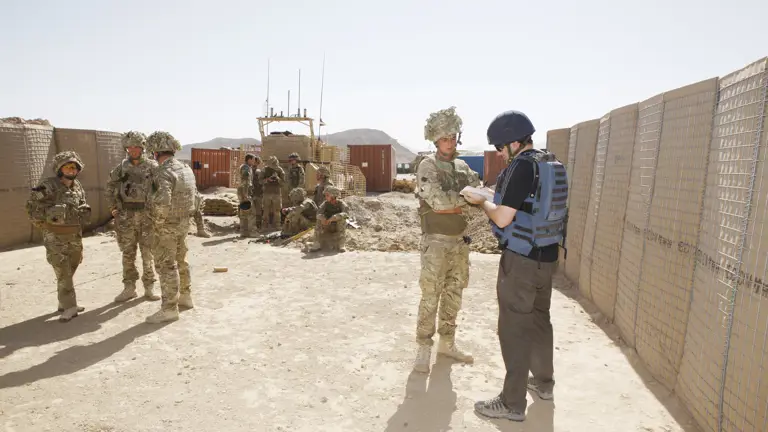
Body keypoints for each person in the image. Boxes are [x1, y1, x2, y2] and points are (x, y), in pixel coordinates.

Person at [464, 110, 567, 422]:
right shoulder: (549, 162)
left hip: (521, 260)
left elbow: (503, 217)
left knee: (514, 329)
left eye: (499, 147)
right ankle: (544, 384)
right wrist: (490, 195)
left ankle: (511, 403)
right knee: (539, 321)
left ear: (512, 142)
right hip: (546, 257)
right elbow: (523, 202)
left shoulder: (523, 166)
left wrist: (479, 201)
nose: (498, 153)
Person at [412, 106, 481, 373]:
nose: (449, 143)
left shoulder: (462, 167)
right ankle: (423, 348)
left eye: (452, 137)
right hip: (436, 242)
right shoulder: (427, 165)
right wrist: (464, 199)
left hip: (459, 243)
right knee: (431, 295)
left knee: (454, 294)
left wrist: (465, 200)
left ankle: (447, 343)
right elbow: (439, 203)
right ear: (434, 139)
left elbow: (480, 195)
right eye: (444, 138)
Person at [26, 151, 92, 322]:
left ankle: (63, 303)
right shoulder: (47, 186)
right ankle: (70, 306)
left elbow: (80, 203)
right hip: (55, 237)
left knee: (71, 267)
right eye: (67, 167)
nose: (71, 170)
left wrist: (83, 210)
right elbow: (32, 209)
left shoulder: (77, 186)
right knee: (62, 271)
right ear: (59, 169)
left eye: (74, 167)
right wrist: (49, 219)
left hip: (74, 235)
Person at [145, 131, 197, 324]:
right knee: (181, 259)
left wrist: (157, 224)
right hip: (183, 222)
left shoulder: (163, 171)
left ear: (155, 152)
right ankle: (185, 296)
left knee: (167, 266)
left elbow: (163, 201)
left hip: (166, 225)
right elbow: (196, 197)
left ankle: (169, 309)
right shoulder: (186, 169)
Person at [108, 131, 161, 302]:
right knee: (128, 253)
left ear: (142, 147)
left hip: (147, 216)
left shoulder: (153, 167)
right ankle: (129, 287)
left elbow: (162, 189)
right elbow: (110, 187)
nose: (133, 150)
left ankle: (149, 287)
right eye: (130, 147)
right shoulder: (121, 168)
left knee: (148, 253)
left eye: (137, 147)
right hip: (126, 217)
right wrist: (113, 207)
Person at [307, 186, 348, 252]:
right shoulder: (325, 204)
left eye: (327, 195)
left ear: (333, 196)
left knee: (343, 219)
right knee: (318, 220)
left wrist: (336, 217)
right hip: (327, 225)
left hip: (337, 227)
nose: (325, 197)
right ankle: (317, 244)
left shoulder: (342, 204)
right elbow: (318, 214)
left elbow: (347, 216)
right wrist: (322, 218)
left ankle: (341, 244)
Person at [260, 155, 285, 231]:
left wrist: (278, 179)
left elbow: (283, 183)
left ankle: (277, 225)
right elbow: (260, 181)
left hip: (276, 193)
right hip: (267, 193)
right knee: (265, 210)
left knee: (277, 210)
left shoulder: (280, 170)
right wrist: (267, 180)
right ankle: (264, 226)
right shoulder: (264, 169)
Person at [237, 153, 257, 237]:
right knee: (251, 213)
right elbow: (245, 182)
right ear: (249, 159)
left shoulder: (243, 167)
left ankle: (243, 232)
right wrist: (246, 195)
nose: (254, 161)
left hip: (242, 192)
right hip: (245, 193)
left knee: (243, 213)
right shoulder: (246, 168)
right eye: (253, 159)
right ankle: (252, 232)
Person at [251, 155, 264, 231]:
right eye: (257, 162)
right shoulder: (252, 170)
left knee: (257, 210)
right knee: (256, 210)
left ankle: (256, 225)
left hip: (257, 193)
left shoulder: (258, 171)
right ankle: (255, 225)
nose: (257, 163)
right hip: (254, 193)